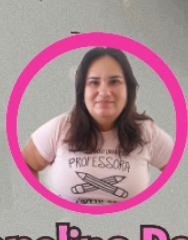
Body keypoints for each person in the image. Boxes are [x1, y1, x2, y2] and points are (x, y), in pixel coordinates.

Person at [21, 47, 174, 205]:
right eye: (94, 82)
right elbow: (25, 164)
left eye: (114, 81)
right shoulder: (60, 127)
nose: (104, 92)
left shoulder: (147, 133)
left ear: (128, 90)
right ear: (82, 91)